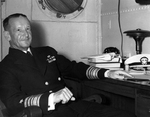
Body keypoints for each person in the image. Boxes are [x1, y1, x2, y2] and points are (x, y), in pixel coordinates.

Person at [0, 13, 136, 117]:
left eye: (27, 28)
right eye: (18, 30)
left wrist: (107, 73)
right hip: (44, 113)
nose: (25, 34)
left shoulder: (46, 52)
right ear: (7, 35)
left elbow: (74, 68)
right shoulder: (5, 66)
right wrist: (52, 98)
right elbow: (13, 103)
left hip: (75, 106)